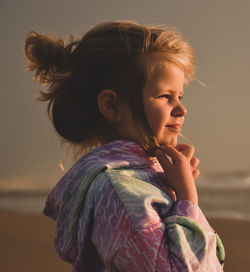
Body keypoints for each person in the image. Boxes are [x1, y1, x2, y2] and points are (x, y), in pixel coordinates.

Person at [24, 21, 225, 271]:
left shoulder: (137, 184)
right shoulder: (119, 195)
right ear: (110, 105)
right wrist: (187, 199)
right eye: (165, 96)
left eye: (180, 96)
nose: (181, 109)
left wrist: (174, 192)